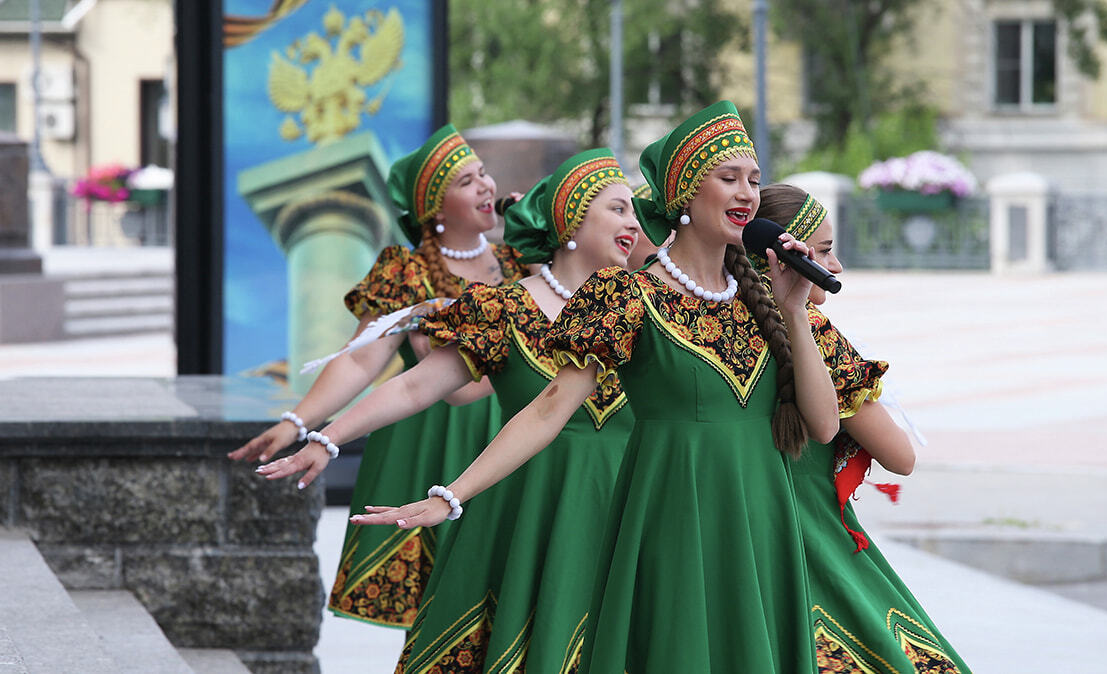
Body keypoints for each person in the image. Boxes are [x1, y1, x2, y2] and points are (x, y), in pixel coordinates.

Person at [351, 101, 841, 672]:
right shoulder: (625, 297)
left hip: (762, 524)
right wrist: (451, 495)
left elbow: (824, 425)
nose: (746, 195)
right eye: (728, 178)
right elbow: (547, 409)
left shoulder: (769, 297)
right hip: (672, 519)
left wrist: (793, 310)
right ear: (683, 195)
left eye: (753, 181)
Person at [263, 149, 640, 672]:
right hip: (523, 503)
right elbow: (414, 387)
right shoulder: (505, 307)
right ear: (572, 218)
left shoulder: (645, 306)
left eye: (636, 211)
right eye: (619, 209)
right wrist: (325, 437)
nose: (634, 223)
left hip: (630, 506)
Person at [229, 124, 526, 629]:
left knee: (510, 592)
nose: (485, 187)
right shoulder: (408, 272)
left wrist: (535, 220)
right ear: (435, 208)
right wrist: (299, 422)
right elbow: (360, 359)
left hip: (514, 426)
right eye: (465, 182)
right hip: (431, 437)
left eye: (483, 175)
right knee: (437, 599)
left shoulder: (522, 262)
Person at [757, 183, 971, 672]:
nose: (835, 267)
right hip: (811, 533)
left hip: (739, 527)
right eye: (825, 252)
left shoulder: (717, 319)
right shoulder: (813, 333)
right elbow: (901, 457)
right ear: (788, 256)